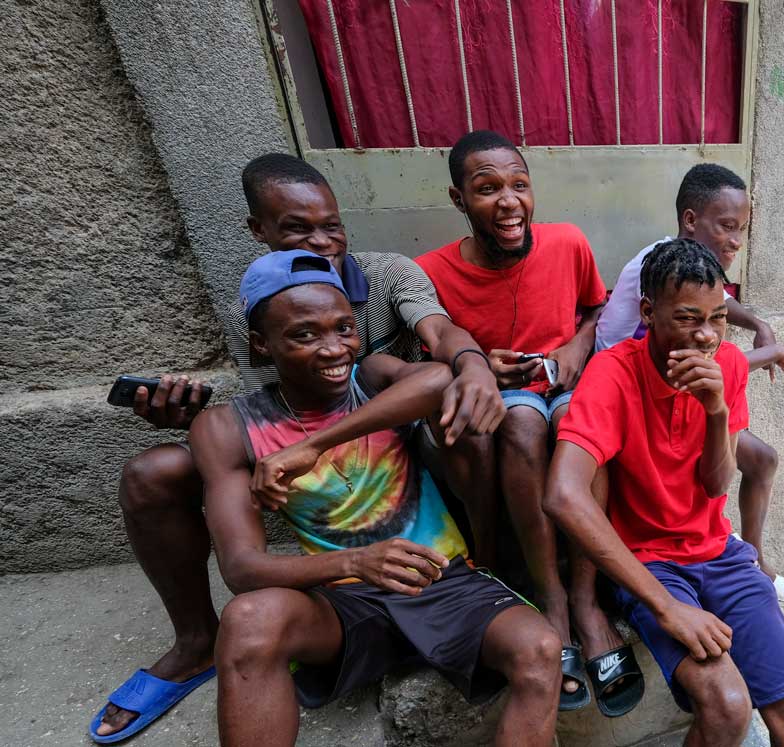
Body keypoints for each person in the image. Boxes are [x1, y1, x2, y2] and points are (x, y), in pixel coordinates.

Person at [91, 154, 505, 742]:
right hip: (310, 451)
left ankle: (486, 572)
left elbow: (439, 339)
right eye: (297, 228)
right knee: (152, 473)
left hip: (405, 429)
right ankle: (197, 641)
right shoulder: (257, 301)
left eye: (331, 225)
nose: (322, 240)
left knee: (474, 421)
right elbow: (270, 404)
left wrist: (471, 364)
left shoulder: (387, 273)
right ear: (258, 230)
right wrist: (194, 421)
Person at [189, 250, 560, 746]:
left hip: (443, 578)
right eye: (304, 334)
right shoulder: (226, 428)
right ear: (260, 344)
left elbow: (438, 378)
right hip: (345, 600)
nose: (333, 349)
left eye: (343, 328)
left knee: (540, 649)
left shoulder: (370, 378)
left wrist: (312, 445)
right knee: (249, 621)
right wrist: (360, 561)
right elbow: (242, 569)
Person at [545, 239, 784, 746]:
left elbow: (716, 485)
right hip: (650, 565)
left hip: (719, 552)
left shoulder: (730, 366)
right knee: (727, 706)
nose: (707, 336)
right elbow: (562, 495)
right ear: (648, 312)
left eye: (718, 317)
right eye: (689, 318)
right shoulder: (614, 372)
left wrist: (717, 410)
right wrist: (666, 607)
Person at [415, 130, 633, 711]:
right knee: (523, 426)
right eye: (487, 189)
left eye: (519, 184)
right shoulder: (431, 271)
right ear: (460, 200)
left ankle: (587, 602)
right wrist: (480, 365)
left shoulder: (567, 243)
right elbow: (432, 346)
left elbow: (597, 309)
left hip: (563, 378)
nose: (509, 201)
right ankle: (552, 598)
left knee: (582, 427)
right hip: (508, 399)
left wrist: (576, 348)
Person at [595, 163, 784, 602]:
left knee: (762, 459)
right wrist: (773, 351)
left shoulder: (697, 269)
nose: (736, 241)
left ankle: (753, 558)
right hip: (634, 400)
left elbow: (723, 307)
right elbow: (685, 364)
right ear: (690, 221)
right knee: (723, 467)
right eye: (726, 226)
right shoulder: (664, 267)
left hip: (680, 394)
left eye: (742, 230)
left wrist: (761, 324)